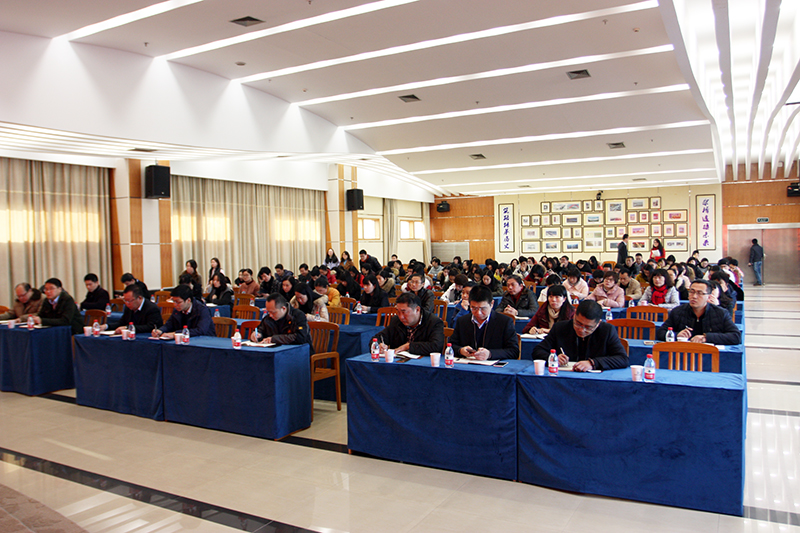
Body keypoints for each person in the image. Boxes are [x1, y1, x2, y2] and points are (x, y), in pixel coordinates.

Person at [532, 300, 629, 371]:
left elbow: (622, 359)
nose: (581, 330)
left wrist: (593, 363)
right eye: (578, 324)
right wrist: (553, 358)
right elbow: (537, 351)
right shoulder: (560, 327)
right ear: (574, 316)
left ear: (598, 323)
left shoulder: (607, 330)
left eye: (588, 327)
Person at [656, 280, 741, 345]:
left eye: (700, 293)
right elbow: (660, 333)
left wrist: (706, 338)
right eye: (691, 292)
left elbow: (736, 336)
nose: (694, 296)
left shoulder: (721, 313)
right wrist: (676, 335)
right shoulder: (678, 311)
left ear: (709, 297)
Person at [449, 285, 519, 360]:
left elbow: (514, 351)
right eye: (474, 308)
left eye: (483, 308)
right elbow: (451, 345)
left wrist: (490, 354)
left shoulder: (504, 322)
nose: (478, 313)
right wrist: (460, 350)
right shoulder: (462, 321)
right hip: (467, 364)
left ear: (492, 304)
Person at [375, 292, 445, 356]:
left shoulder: (434, 322)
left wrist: (408, 346)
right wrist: (379, 344)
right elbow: (377, 338)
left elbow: (436, 346)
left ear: (417, 310)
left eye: (404, 312)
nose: (401, 317)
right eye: (398, 312)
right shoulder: (396, 320)